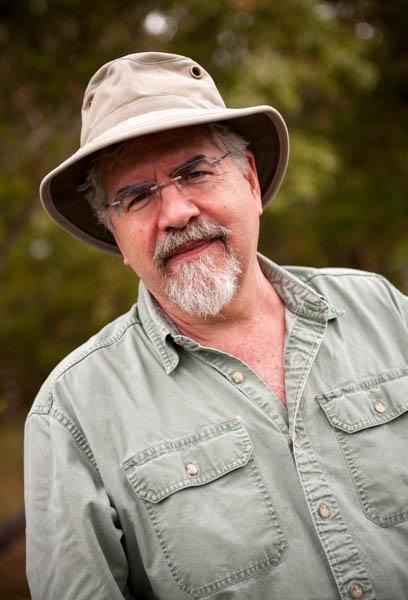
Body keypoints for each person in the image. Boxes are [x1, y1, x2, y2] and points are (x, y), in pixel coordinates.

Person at [24, 52, 408, 600]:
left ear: (249, 180)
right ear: (118, 239)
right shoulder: (73, 411)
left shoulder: (384, 310)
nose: (177, 212)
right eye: (136, 197)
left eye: (195, 172)